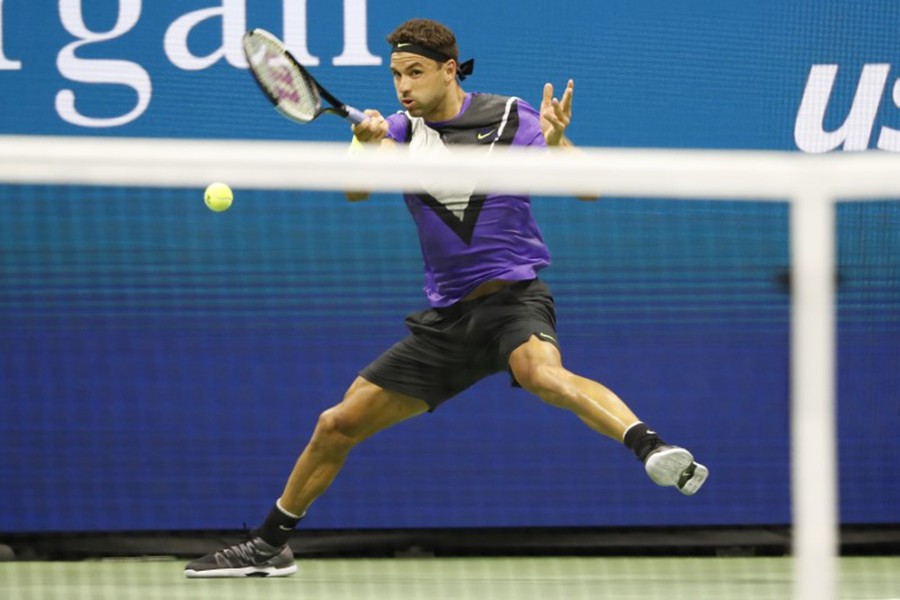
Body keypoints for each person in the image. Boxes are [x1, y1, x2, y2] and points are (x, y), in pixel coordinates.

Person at [184, 18, 708, 579]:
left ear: (448, 70)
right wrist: (363, 147)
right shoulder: (398, 132)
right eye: (395, 75)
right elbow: (356, 190)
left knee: (542, 373)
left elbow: (590, 187)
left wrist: (558, 144)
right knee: (336, 424)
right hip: (448, 321)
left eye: (414, 73)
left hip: (513, 301)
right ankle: (269, 546)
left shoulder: (510, 118)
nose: (403, 86)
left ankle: (651, 448)